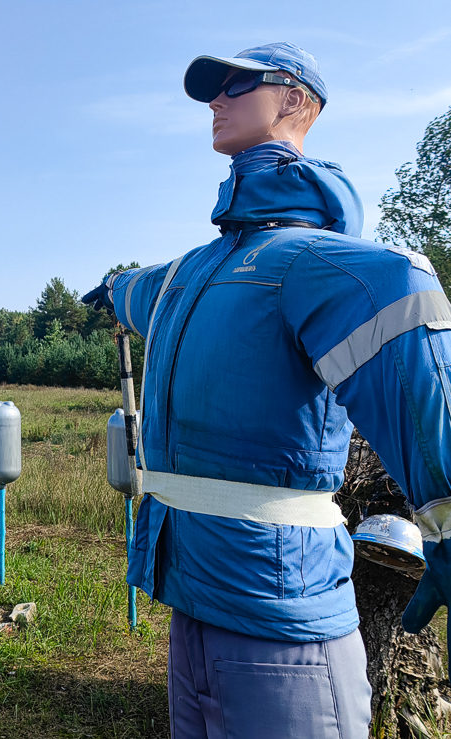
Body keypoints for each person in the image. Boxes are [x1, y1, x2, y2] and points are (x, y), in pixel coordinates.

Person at [82, 42, 451, 738]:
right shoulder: (195, 271)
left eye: (235, 84)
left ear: (293, 101)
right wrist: (111, 289)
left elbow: (406, 295)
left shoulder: (307, 262)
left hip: (279, 623)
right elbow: (144, 287)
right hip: (189, 603)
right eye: (212, 89)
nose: (215, 99)